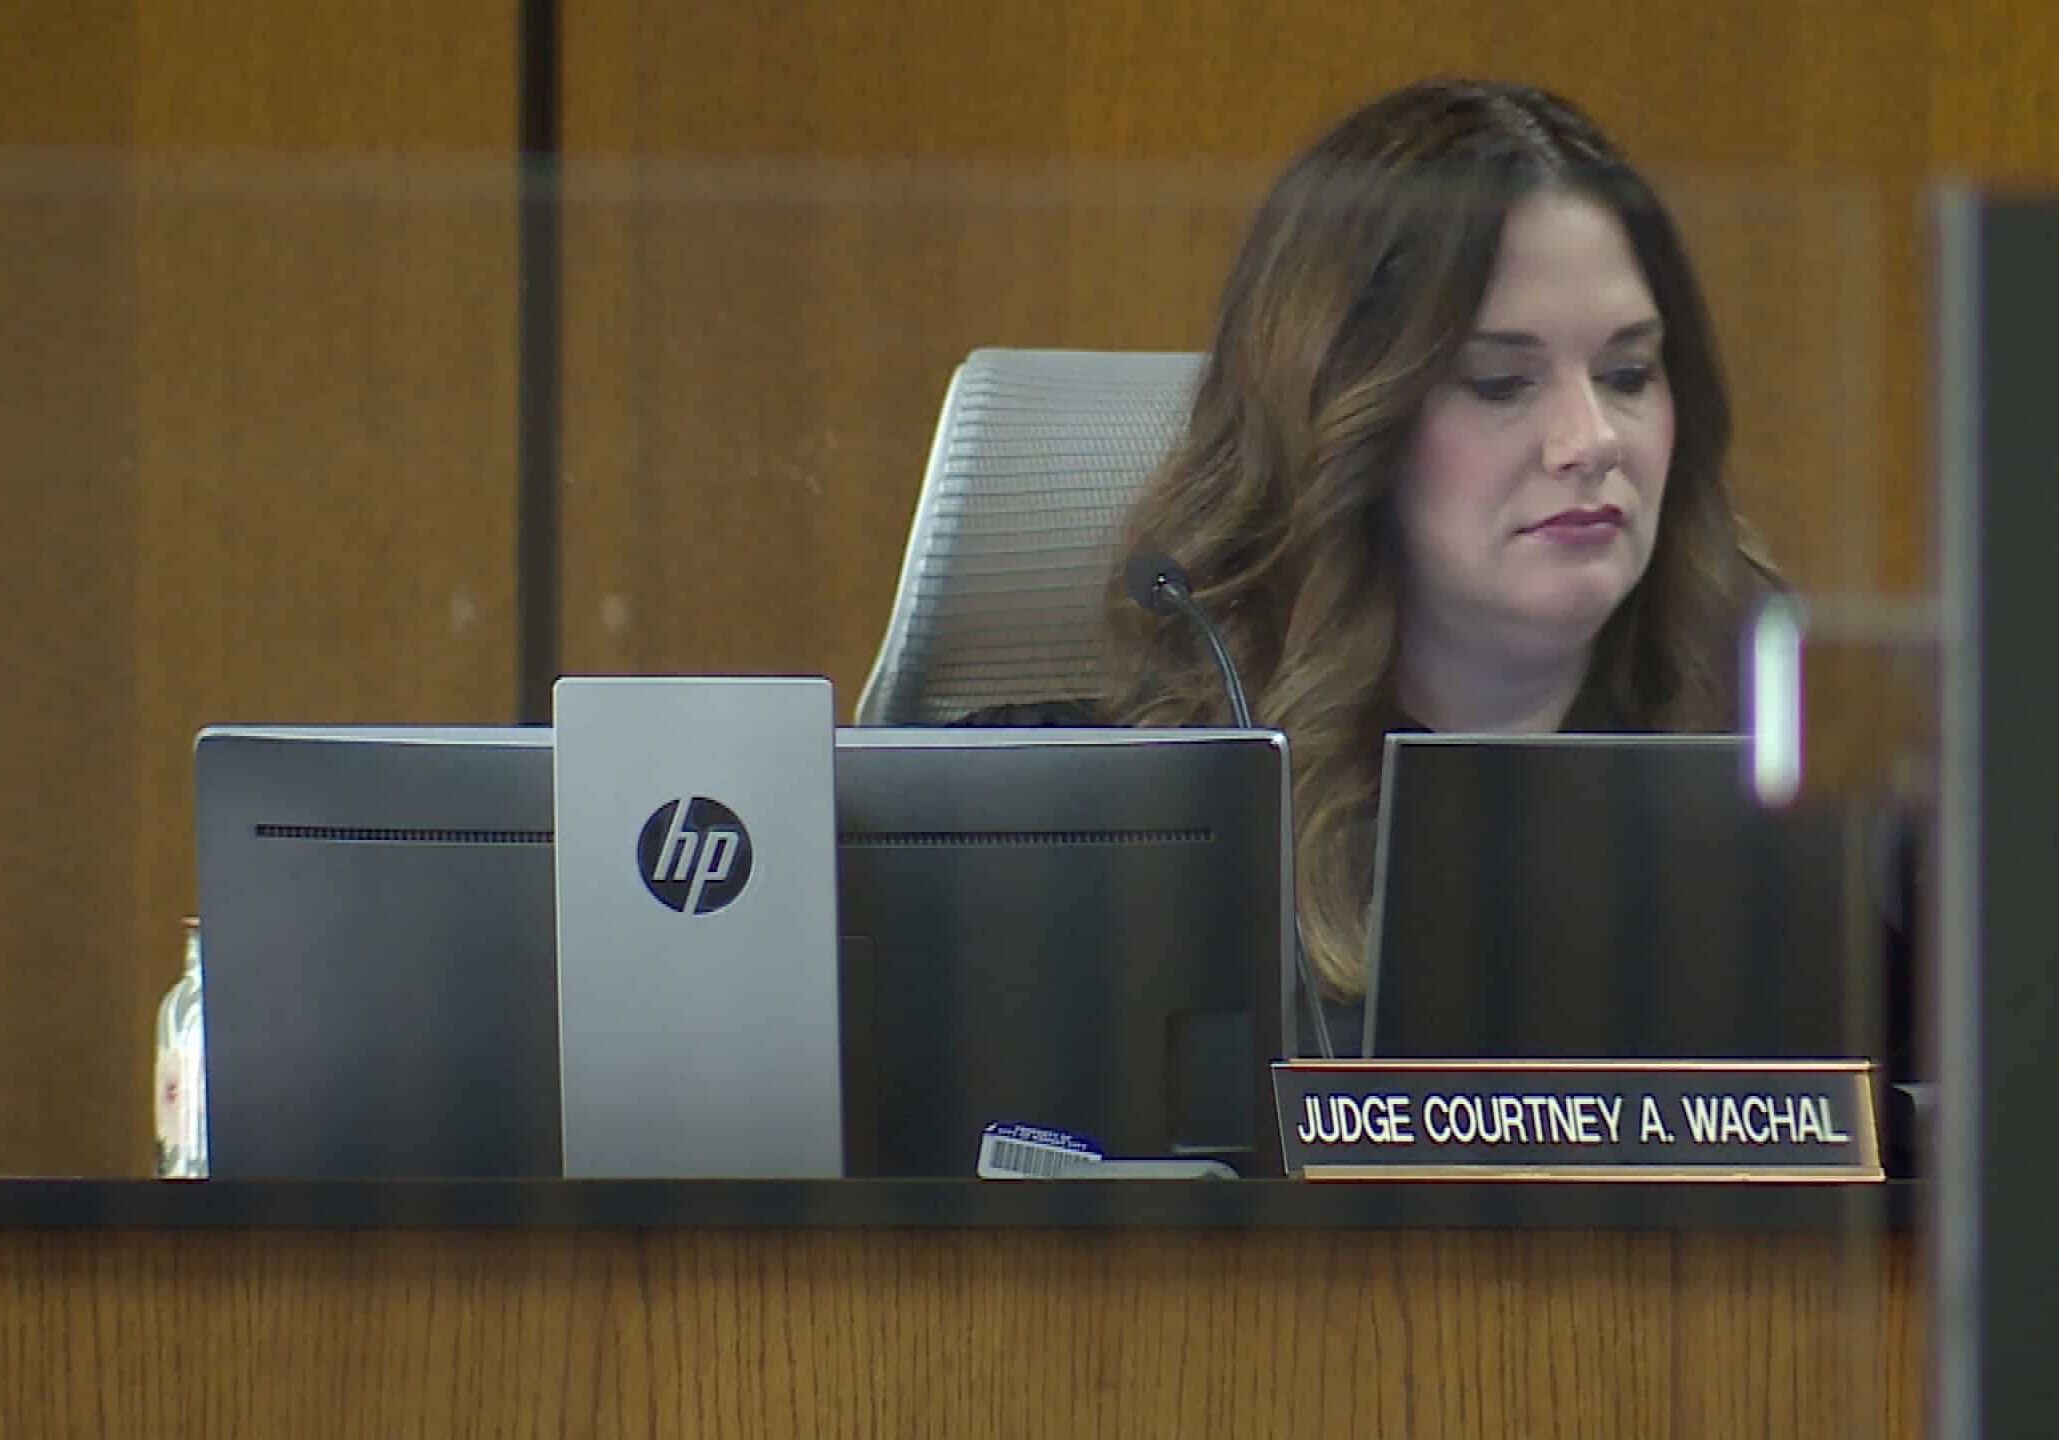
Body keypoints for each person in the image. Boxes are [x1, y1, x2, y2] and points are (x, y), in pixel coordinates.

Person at [969, 78, 1778, 1014]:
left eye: (1627, 373)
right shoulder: (1099, 829)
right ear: (1343, 426)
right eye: (1500, 383)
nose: (1590, 439)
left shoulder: (1796, 794)